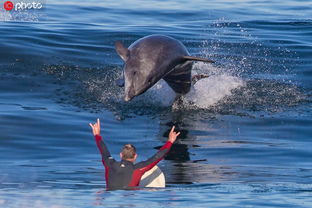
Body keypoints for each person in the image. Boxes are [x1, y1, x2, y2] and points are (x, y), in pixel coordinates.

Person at [89, 118, 180, 190]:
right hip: (130, 201)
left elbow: (104, 150)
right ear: (135, 156)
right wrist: (170, 141)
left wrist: (97, 135)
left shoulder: (109, 164)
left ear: (121, 155)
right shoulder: (138, 168)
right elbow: (158, 156)